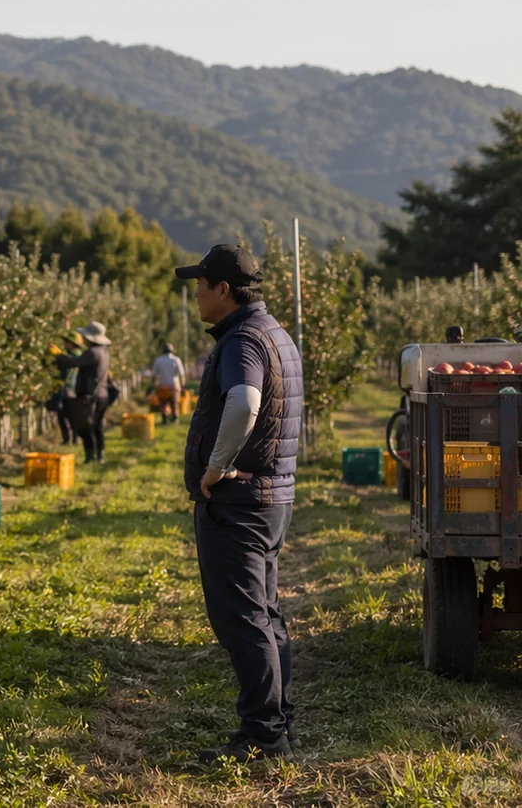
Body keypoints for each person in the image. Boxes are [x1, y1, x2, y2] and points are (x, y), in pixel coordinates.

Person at [175, 244, 303, 763]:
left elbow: (246, 401)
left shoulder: (241, 341)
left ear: (223, 290)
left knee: (244, 619)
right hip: (272, 497)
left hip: (240, 502)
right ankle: (278, 722)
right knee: (265, 613)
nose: (197, 295)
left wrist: (214, 466)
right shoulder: (274, 333)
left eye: (201, 285)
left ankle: (263, 735)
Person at [56, 322, 112, 463]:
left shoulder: (92, 353)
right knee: (97, 426)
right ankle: (100, 455)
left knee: (85, 427)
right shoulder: (104, 352)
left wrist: (58, 356)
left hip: (91, 395)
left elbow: (74, 362)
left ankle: (91, 456)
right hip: (102, 394)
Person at [153, 343, 187, 424]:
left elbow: (154, 374)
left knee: (163, 403)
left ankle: (165, 417)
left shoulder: (158, 360)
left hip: (162, 385)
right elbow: (182, 374)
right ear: (172, 350)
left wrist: (153, 384)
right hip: (174, 385)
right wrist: (183, 385)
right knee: (174, 403)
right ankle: (175, 418)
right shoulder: (176, 360)